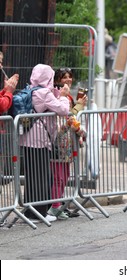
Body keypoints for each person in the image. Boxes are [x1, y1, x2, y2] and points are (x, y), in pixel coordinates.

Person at [20, 64, 70, 222]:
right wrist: (63, 96)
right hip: (40, 140)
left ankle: (30, 212)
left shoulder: (32, 89)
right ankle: (39, 213)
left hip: (27, 139)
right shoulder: (43, 93)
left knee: (32, 177)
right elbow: (63, 110)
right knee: (42, 176)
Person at [47, 68, 87, 220]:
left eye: (70, 77)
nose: (68, 80)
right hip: (59, 141)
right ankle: (55, 207)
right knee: (59, 176)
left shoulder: (67, 95)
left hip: (67, 141)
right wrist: (78, 108)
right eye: (64, 77)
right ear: (57, 80)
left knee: (65, 175)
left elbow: (70, 117)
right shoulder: (57, 94)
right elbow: (66, 116)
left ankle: (59, 206)